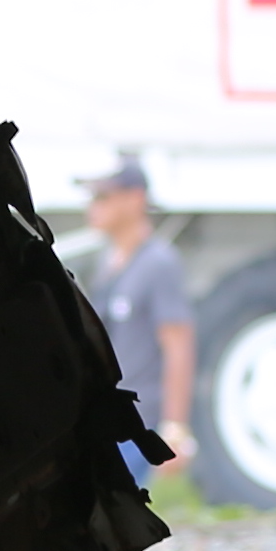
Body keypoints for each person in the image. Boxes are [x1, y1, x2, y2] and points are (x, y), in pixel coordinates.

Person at [80, 163, 197, 469]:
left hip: (139, 424)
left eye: (103, 196)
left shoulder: (158, 263)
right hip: (109, 419)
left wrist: (175, 428)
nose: (93, 207)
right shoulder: (108, 262)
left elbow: (178, 343)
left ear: (135, 199)